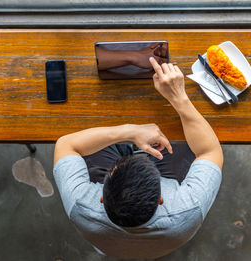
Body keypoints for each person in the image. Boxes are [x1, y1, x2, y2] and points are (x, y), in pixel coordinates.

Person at [53, 57, 223, 259]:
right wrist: (179, 98)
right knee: (185, 144)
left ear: (101, 197)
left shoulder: (81, 205)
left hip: (109, 244)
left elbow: (65, 144)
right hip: (166, 241)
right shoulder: (188, 208)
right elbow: (209, 151)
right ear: (161, 200)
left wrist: (129, 132)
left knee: (87, 140)